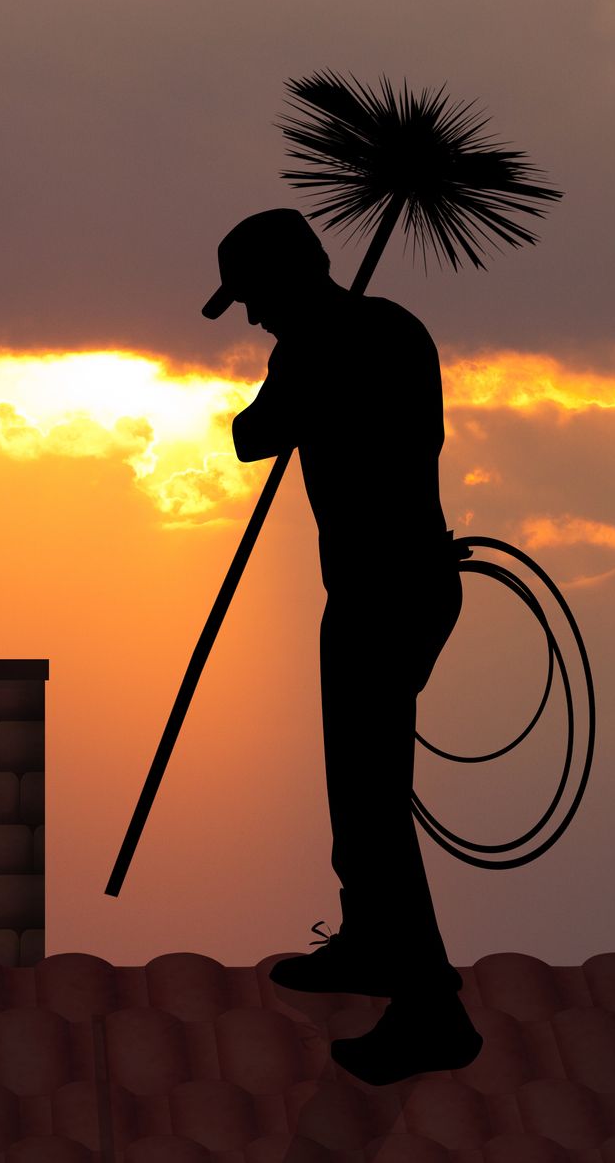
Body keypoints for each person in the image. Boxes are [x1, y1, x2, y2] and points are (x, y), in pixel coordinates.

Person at [203, 208, 483, 1084]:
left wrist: (301, 374)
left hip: (378, 595)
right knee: (362, 789)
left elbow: (250, 438)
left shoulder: (319, 346)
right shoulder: (392, 328)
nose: (253, 317)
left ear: (287, 278)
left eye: (254, 298)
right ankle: (368, 943)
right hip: (409, 585)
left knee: (371, 798)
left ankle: (431, 1010)